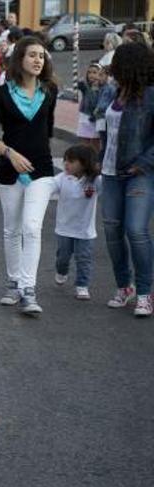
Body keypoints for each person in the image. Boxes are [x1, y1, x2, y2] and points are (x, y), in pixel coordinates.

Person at [0, 36, 59, 315]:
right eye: (32, 55)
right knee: (12, 230)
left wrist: (33, 154)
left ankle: (29, 290)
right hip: (8, 170)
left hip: (41, 169)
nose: (38, 60)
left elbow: (48, 131)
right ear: (20, 60)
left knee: (31, 228)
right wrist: (10, 154)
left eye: (42, 55)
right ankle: (14, 283)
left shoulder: (49, 91)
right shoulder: (2, 94)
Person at [99, 42, 154, 315]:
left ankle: (145, 292)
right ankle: (124, 287)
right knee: (112, 232)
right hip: (110, 173)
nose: (113, 68)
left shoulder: (151, 96)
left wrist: (143, 164)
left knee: (136, 229)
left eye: (118, 63)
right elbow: (106, 131)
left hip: (139, 174)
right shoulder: (113, 92)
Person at [50, 145, 102, 301]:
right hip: (64, 228)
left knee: (84, 258)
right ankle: (62, 271)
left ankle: (82, 285)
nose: (66, 164)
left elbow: (110, 190)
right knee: (62, 257)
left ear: (85, 163)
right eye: (65, 160)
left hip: (85, 230)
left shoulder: (95, 180)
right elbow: (49, 186)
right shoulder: (62, 178)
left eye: (71, 161)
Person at [76, 63, 103, 150]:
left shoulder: (102, 88)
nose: (91, 75)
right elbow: (79, 85)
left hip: (95, 118)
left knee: (95, 143)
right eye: (89, 72)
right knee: (84, 143)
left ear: (100, 74)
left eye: (94, 72)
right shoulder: (86, 86)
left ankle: (95, 161)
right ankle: (85, 160)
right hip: (84, 116)